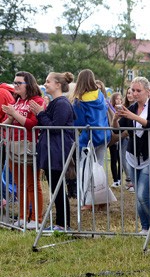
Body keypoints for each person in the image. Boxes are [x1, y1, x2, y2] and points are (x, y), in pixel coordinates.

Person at [116, 77, 150, 234]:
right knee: (139, 196)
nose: (135, 93)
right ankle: (145, 227)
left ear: (148, 91)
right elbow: (116, 130)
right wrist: (115, 118)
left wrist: (134, 117)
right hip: (133, 156)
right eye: (133, 90)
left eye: (138, 90)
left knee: (142, 194)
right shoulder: (131, 108)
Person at [29, 71, 75, 231]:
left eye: (48, 81)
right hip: (52, 149)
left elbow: (55, 127)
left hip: (57, 150)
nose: (45, 84)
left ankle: (63, 224)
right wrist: (41, 113)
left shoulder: (62, 104)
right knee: (55, 188)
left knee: (58, 189)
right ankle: (60, 223)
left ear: (58, 85)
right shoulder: (56, 102)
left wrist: (40, 113)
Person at [2, 71, 45, 228]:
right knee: (19, 184)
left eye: (19, 83)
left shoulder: (37, 101)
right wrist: (9, 117)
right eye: (14, 82)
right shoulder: (17, 101)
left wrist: (14, 113)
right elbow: (7, 124)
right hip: (13, 146)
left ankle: (36, 219)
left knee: (32, 184)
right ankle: (22, 216)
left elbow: (33, 124)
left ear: (29, 85)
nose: (15, 85)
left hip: (28, 147)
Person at [73, 69, 112, 203]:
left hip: (88, 138)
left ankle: (86, 200)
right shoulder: (100, 95)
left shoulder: (80, 100)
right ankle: (101, 199)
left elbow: (79, 122)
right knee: (99, 167)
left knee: (85, 170)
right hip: (104, 135)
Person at [108, 92, 125, 188]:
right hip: (113, 138)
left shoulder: (123, 110)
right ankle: (115, 179)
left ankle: (119, 178)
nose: (119, 101)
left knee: (120, 159)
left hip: (121, 137)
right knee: (113, 158)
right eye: (117, 99)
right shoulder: (110, 109)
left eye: (120, 99)